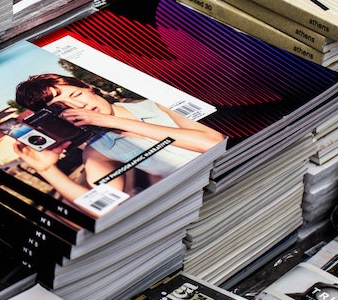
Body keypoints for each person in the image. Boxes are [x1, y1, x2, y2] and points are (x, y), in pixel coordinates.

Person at [12, 73, 224, 215]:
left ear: (89, 88)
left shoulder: (157, 103)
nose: (79, 105)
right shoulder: (98, 150)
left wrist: (112, 121)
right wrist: (48, 170)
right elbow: (106, 207)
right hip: (201, 203)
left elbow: (213, 142)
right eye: (63, 107)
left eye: (76, 94)